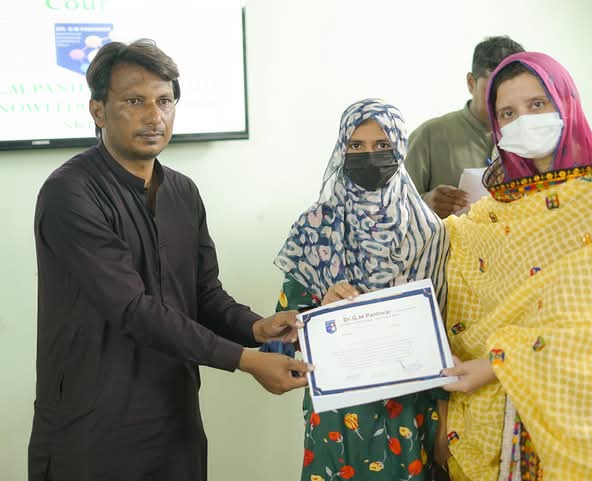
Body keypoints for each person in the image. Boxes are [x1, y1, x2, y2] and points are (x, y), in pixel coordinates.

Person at [28, 39, 310, 481]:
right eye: (134, 101)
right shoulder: (70, 193)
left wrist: (258, 328)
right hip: (93, 425)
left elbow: (204, 295)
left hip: (176, 420)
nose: (153, 116)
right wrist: (248, 360)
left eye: (164, 101)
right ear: (98, 111)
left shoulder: (183, 192)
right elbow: (133, 309)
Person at [440, 52, 592, 481]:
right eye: (508, 113)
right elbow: (454, 250)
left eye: (537, 105)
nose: (524, 120)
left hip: (584, 400)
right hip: (506, 413)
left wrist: (498, 363)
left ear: (565, 103)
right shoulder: (499, 208)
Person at [271, 99, 450, 481]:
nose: (369, 155)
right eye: (356, 145)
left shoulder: (428, 231)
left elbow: (448, 332)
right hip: (337, 416)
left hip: (410, 411)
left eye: (382, 145)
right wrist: (321, 311)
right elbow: (281, 335)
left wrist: (447, 422)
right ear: (341, 149)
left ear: (400, 148)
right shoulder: (315, 227)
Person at [404, 36, 525, 219]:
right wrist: (425, 204)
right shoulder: (428, 136)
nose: (504, 102)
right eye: (493, 91)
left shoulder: (532, 138)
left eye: (514, 92)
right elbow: (394, 209)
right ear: (471, 83)